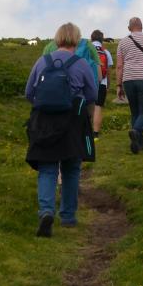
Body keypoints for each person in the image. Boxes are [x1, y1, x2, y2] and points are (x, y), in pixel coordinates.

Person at [24, 22, 97, 237]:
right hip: (73, 121)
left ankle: (46, 212)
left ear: (57, 38)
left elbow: (29, 92)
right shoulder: (81, 63)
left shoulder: (42, 61)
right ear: (76, 39)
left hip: (44, 121)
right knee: (71, 168)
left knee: (47, 168)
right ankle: (67, 216)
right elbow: (92, 94)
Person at [115, 16, 143, 155]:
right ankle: (136, 131)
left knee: (135, 112)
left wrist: (118, 85)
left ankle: (139, 144)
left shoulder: (122, 42)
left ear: (129, 28)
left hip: (128, 79)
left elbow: (119, 66)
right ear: (142, 26)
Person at [90, 30, 113, 136]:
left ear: (91, 38)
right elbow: (108, 70)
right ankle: (95, 133)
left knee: (87, 106)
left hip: (88, 82)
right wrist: (108, 83)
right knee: (98, 106)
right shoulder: (106, 52)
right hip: (102, 82)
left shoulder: (86, 50)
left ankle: (85, 130)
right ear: (102, 39)